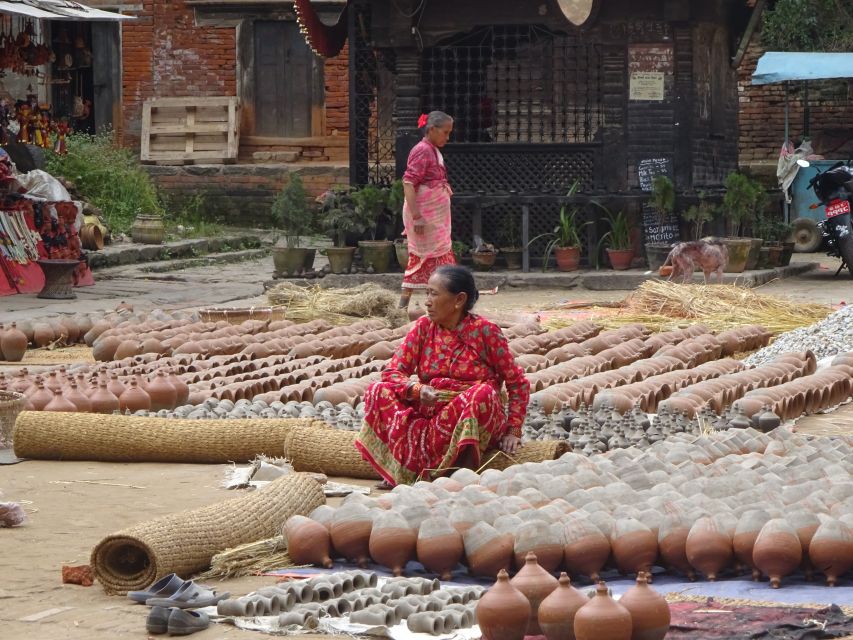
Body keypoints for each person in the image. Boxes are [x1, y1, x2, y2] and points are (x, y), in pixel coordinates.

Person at [355, 265, 530, 487]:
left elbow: (517, 383)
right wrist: (417, 390)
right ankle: (401, 470)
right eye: (427, 293)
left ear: (459, 300)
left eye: (434, 294)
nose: (427, 301)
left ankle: (459, 475)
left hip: (473, 413)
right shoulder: (423, 328)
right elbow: (392, 372)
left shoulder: (485, 331)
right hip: (431, 411)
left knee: (482, 393)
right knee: (377, 390)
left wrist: (513, 430)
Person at [399, 111, 457, 310]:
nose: (447, 137)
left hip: (434, 220)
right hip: (424, 218)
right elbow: (408, 183)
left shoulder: (432, 149)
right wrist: (417, 217)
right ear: (432, 129)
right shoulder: (422, 150)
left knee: (441, 261)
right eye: (445, 132)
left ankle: (442, 305)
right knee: (423, 260)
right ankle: (403, 308)